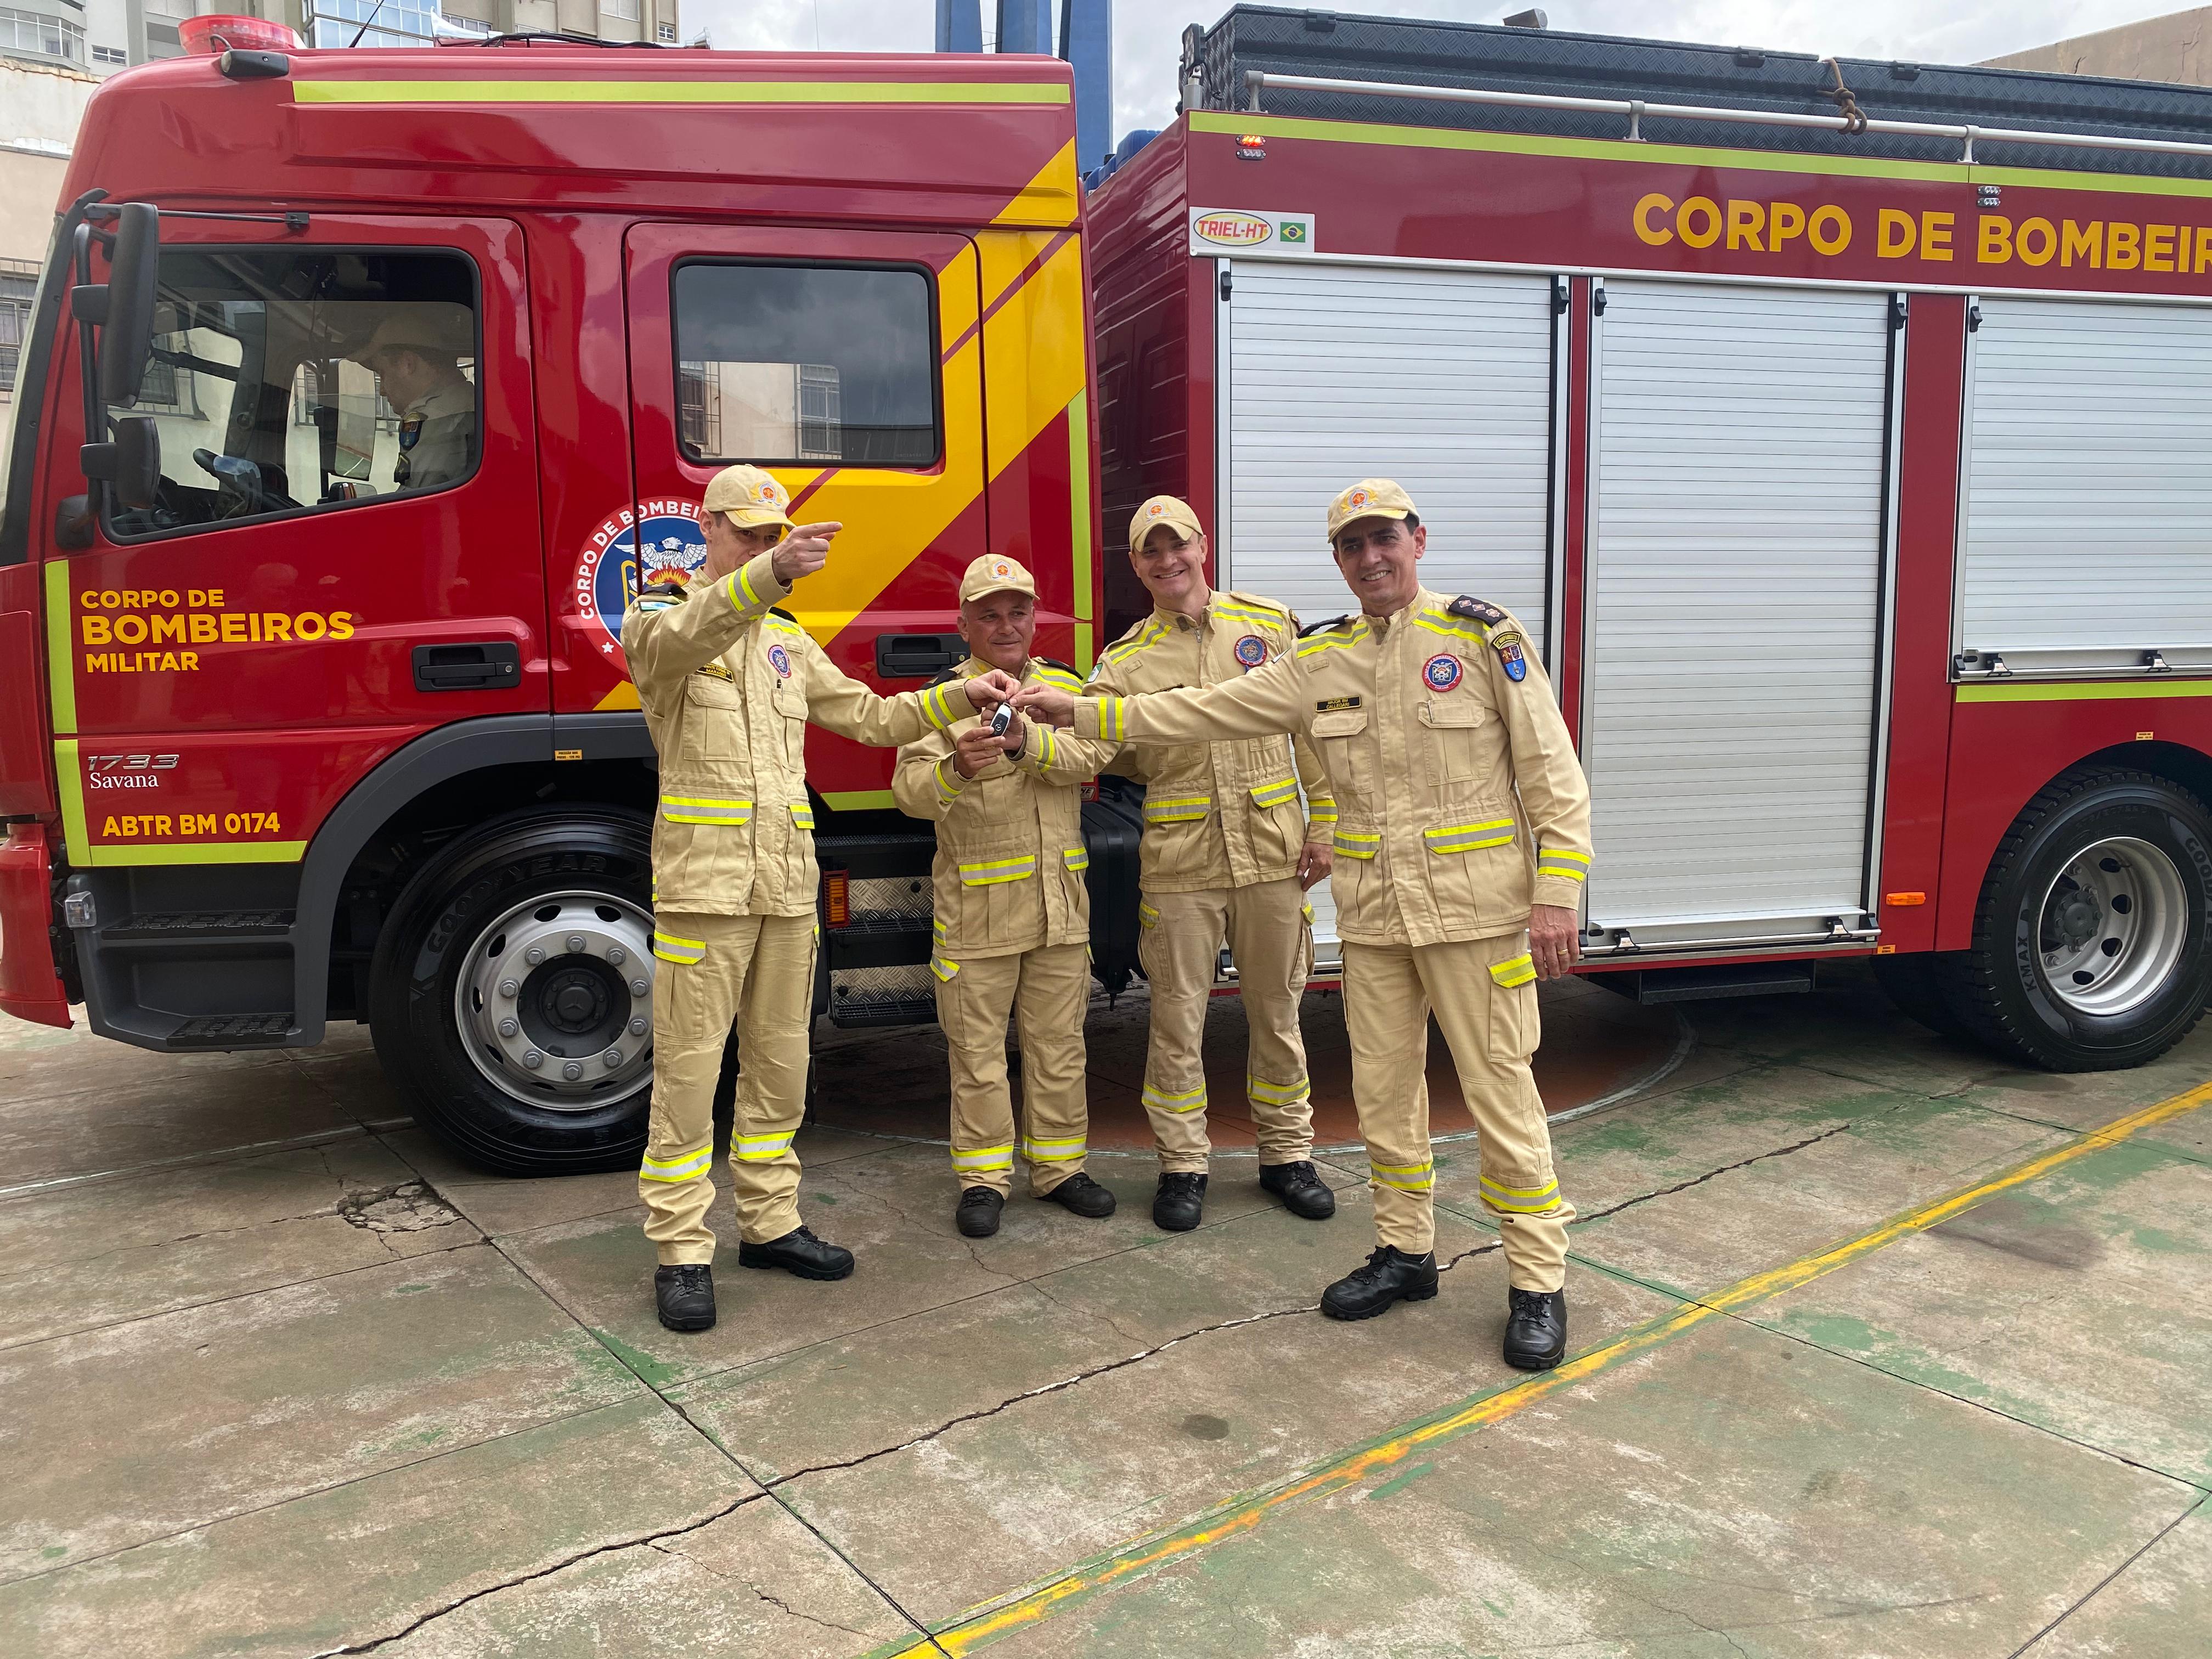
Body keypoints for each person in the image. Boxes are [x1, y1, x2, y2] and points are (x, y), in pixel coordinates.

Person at [1014, 481, 1593, 1372]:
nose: (1370, 557)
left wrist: (1556, 892)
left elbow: (1552, 774)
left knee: (1500, 1095)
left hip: (1474, 916)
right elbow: (1204, 709)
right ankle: (1405, 1250)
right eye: (1352, 545)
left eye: (1383, 539)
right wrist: (1083, 712)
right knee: (1386, 1096)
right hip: (1376, 921)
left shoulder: (1483, 637)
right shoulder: (1321, 657)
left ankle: (1537, 1280)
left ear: (1417, 540)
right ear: (1338, 561)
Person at [623, 466, 1018, 1332]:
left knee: (780, 1065)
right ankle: (682, 1250)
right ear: (708, 528)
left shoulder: (785, 641)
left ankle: (769, 1224)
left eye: (774, 537)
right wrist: (771, 573)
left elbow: (871, 719)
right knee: (689, 1072)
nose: (764, 548)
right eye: (749, 534)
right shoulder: (661, 617)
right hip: (705, 891)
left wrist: (961, 694)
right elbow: (678, 641)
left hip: (784, 888)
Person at [1087, 495, 1339, 1232]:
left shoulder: (1269, 627)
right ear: (1137, 566)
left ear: (1203, 546)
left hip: (1271, 854)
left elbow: (1312, 734)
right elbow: (1098, 749)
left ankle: (1287, 1157)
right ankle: (1182, 1167)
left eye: (1179, 545)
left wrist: (1326, 824)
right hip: (1181, 863)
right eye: (1152, 550)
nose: (1169, 560)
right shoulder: (1125, 661)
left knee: (1278, 1014)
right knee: (1175, 1023)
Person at [892, 556, 1121, 1239]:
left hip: (1059, 910)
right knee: (978, 1056)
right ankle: (984, 1180)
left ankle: (1059, 1170)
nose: (1006, 626)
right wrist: (955, 769)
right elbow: (908, 793)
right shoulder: (941, 699)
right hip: (978, 914)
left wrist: (1028, 744)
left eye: (1018, 612)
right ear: (964, 625)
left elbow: (1096, 755)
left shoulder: (1064, 688)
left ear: (1034, 617)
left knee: (1061, 1048)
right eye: (988, 615)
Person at [351, 308, 477, 491]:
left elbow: (419, 501)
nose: (382, 391)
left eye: (382, 374)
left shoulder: (441, 417)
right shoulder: (467, 403)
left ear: (407, 364)